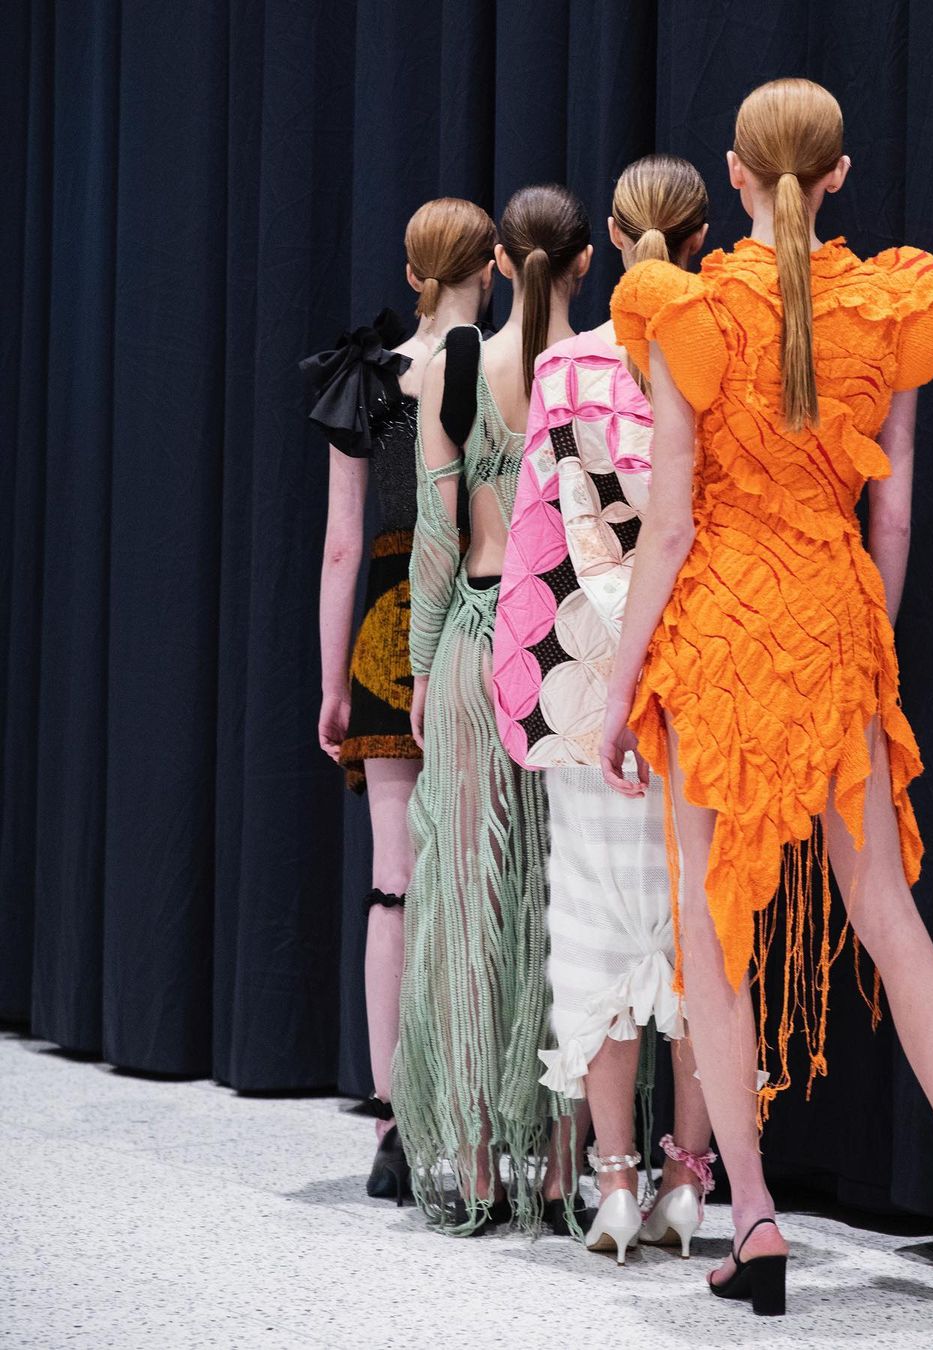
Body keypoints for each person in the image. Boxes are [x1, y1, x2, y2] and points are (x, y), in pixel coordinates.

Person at [602, 78, 933, 1320]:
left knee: (714, 928)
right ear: (837, 176)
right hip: (832, 615)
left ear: (734, 175)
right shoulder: (891, 307)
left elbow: (671, 524)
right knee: (889, 914)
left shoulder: (690, 309)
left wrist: (620, 690)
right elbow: (893, 514)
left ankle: (757, 1219)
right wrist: (859, 640)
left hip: (720, 626)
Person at [492, 155, 715, 1265]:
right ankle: (690, 1180)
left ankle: (616, 1182)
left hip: (593, 684)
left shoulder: (565, 368)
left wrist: (528, 685)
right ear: (703, 237)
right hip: (704, 669)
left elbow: (542, 546)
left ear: (615, 242)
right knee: (709, 930)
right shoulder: (727, 348)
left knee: (595, 925)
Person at [393, 184, 593, 1236]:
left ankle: (475, 1160)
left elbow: (437, 538)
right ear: (587, 261)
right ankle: (563, 1165)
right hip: (568, 657)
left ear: (499, 263)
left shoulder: (455, 365)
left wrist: (422, 668)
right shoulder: (599, 367)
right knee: (567, 907)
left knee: (469, 906)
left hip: (476, 642)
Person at [300, 198, 495, 1203]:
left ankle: (390, 1121)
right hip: (479, 619)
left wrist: (332, 681)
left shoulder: (370, 377)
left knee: (395, 880)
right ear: (491, 267)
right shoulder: (499, 369)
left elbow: (342, 544)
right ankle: (476, 1115)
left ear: (412, 271)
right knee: (483, 872)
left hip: (384, 627)